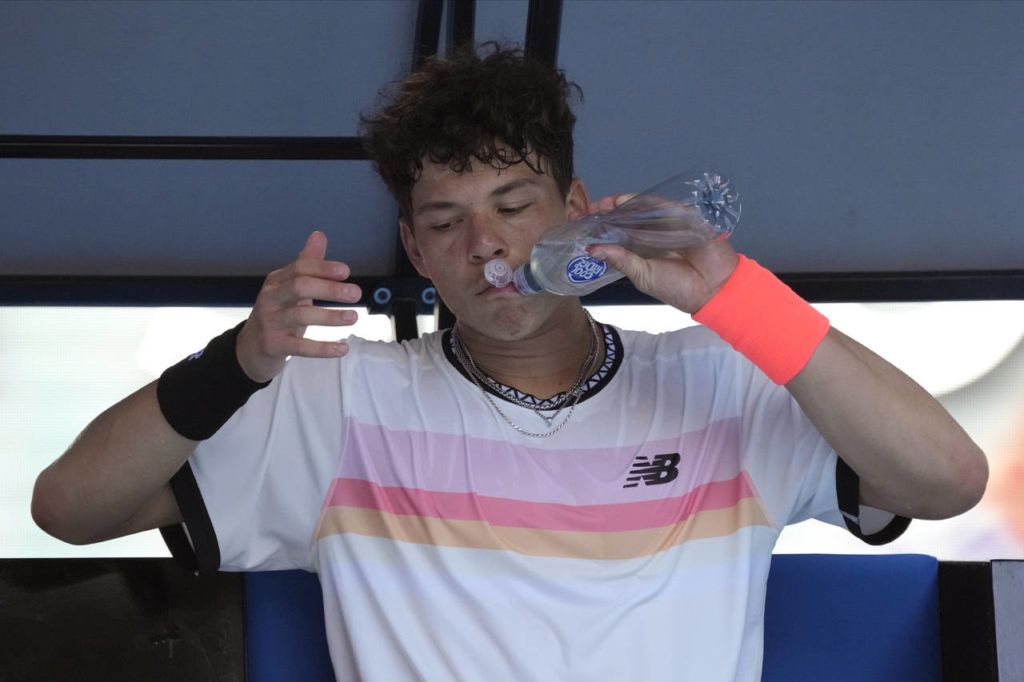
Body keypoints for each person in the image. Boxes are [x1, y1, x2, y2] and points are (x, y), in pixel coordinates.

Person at [32, 44, 987, 681]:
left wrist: (737, 299)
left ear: (574, 207)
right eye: (447, 222)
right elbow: (71, 508)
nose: (485, 245)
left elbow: (947, 479)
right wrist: (237, 363)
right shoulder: (338, 398)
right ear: (415, 250)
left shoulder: (722, 376)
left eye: (515, 206)